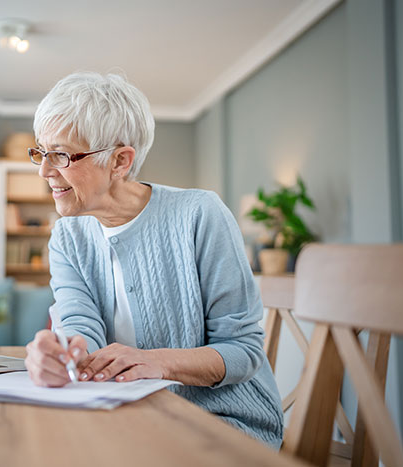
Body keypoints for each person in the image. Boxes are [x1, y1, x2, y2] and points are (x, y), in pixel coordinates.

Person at [24, 71, 283, 448]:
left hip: (224, 422)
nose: (45, 171)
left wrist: (158, 362)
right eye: (41, 153)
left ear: (119, 161)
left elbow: (242, 350)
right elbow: (80, 323)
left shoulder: (199, 214)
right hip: (130, 419)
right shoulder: (68, 236)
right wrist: (64, 352)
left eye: (61, 155)